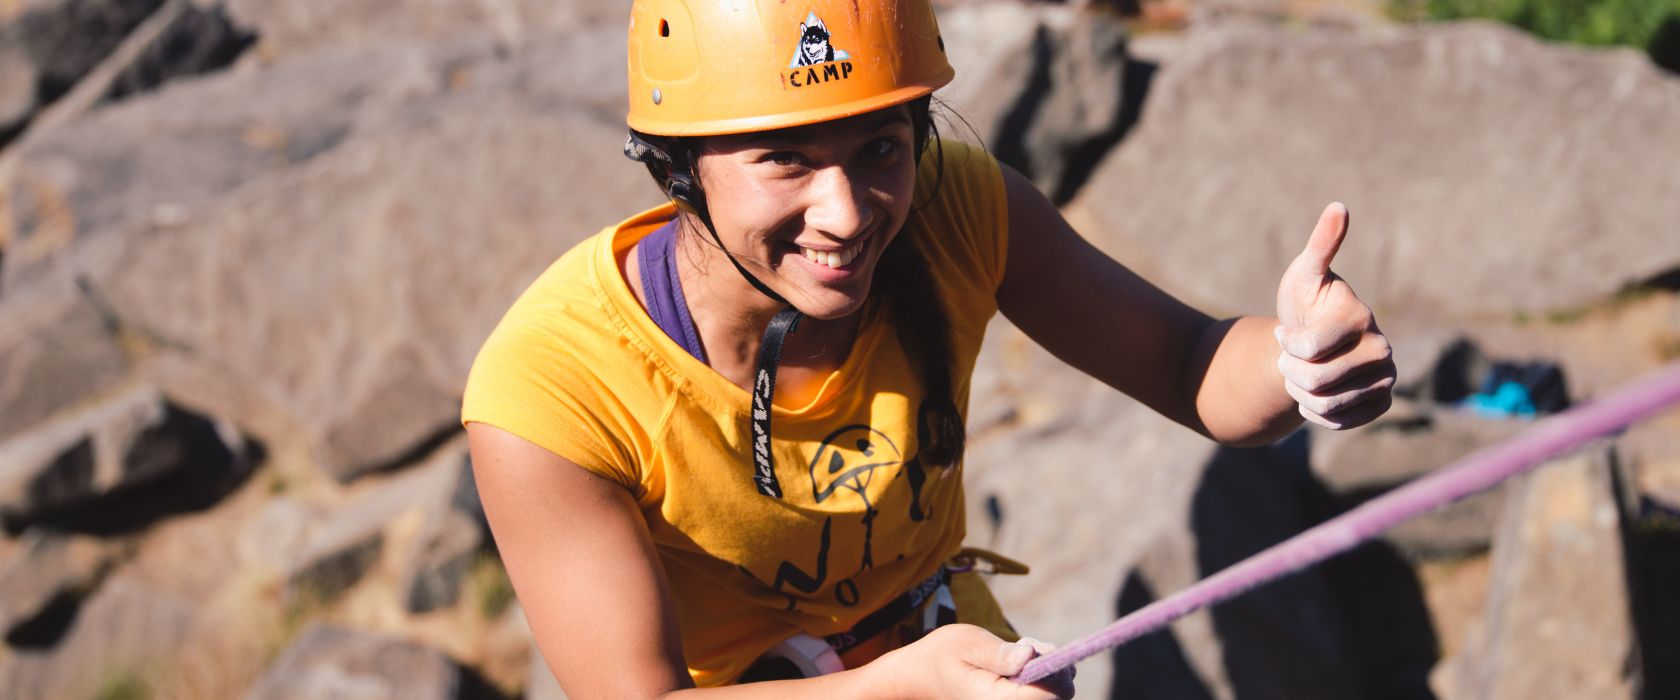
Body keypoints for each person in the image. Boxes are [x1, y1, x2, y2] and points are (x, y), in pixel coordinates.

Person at [462, 0, 1397, 697]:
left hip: (951, 655)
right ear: (679, 168)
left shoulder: (957, 209)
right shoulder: (553, 394)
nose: (845, 214)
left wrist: (1295, 362)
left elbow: (1189, 364)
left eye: (879, 147)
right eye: (784, 158)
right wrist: (900, 686)